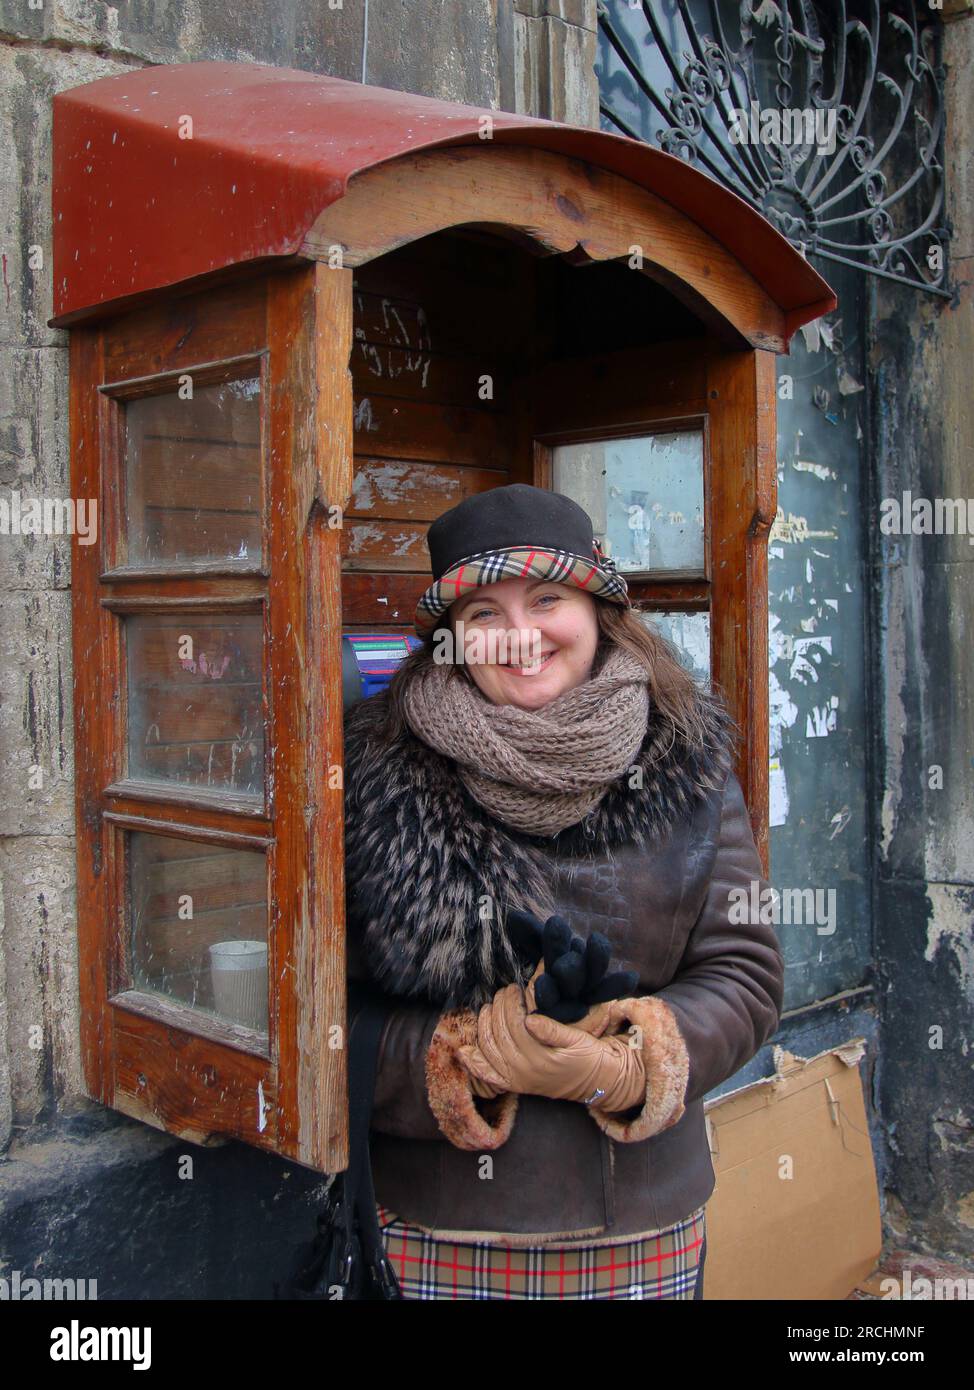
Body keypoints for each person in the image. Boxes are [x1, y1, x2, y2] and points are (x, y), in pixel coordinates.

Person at [342, 483, 784, 1300]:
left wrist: (626, 1063)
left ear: (597, 611)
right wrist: (456, 1056)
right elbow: (323, 1015)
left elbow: (746, 978)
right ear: (451, 640)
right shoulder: (373, 775)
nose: (520, 636)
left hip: (640, 1225)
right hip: (438, 1226)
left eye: (547, 599)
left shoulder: (687, 759)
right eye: (482, 614)